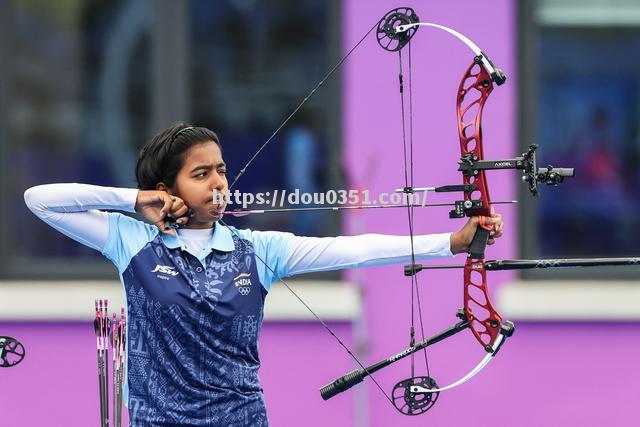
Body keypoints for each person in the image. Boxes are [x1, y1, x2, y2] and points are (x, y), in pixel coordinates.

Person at [24, 123, 504, 426]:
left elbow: (353, 250)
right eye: (201, 174)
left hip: (241, 419)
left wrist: (453, 244)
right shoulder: (132, 242)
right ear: (165, 189)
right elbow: (40, 200)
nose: (218, 183)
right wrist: (132, 201)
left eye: (222, 171)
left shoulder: (258, 250)